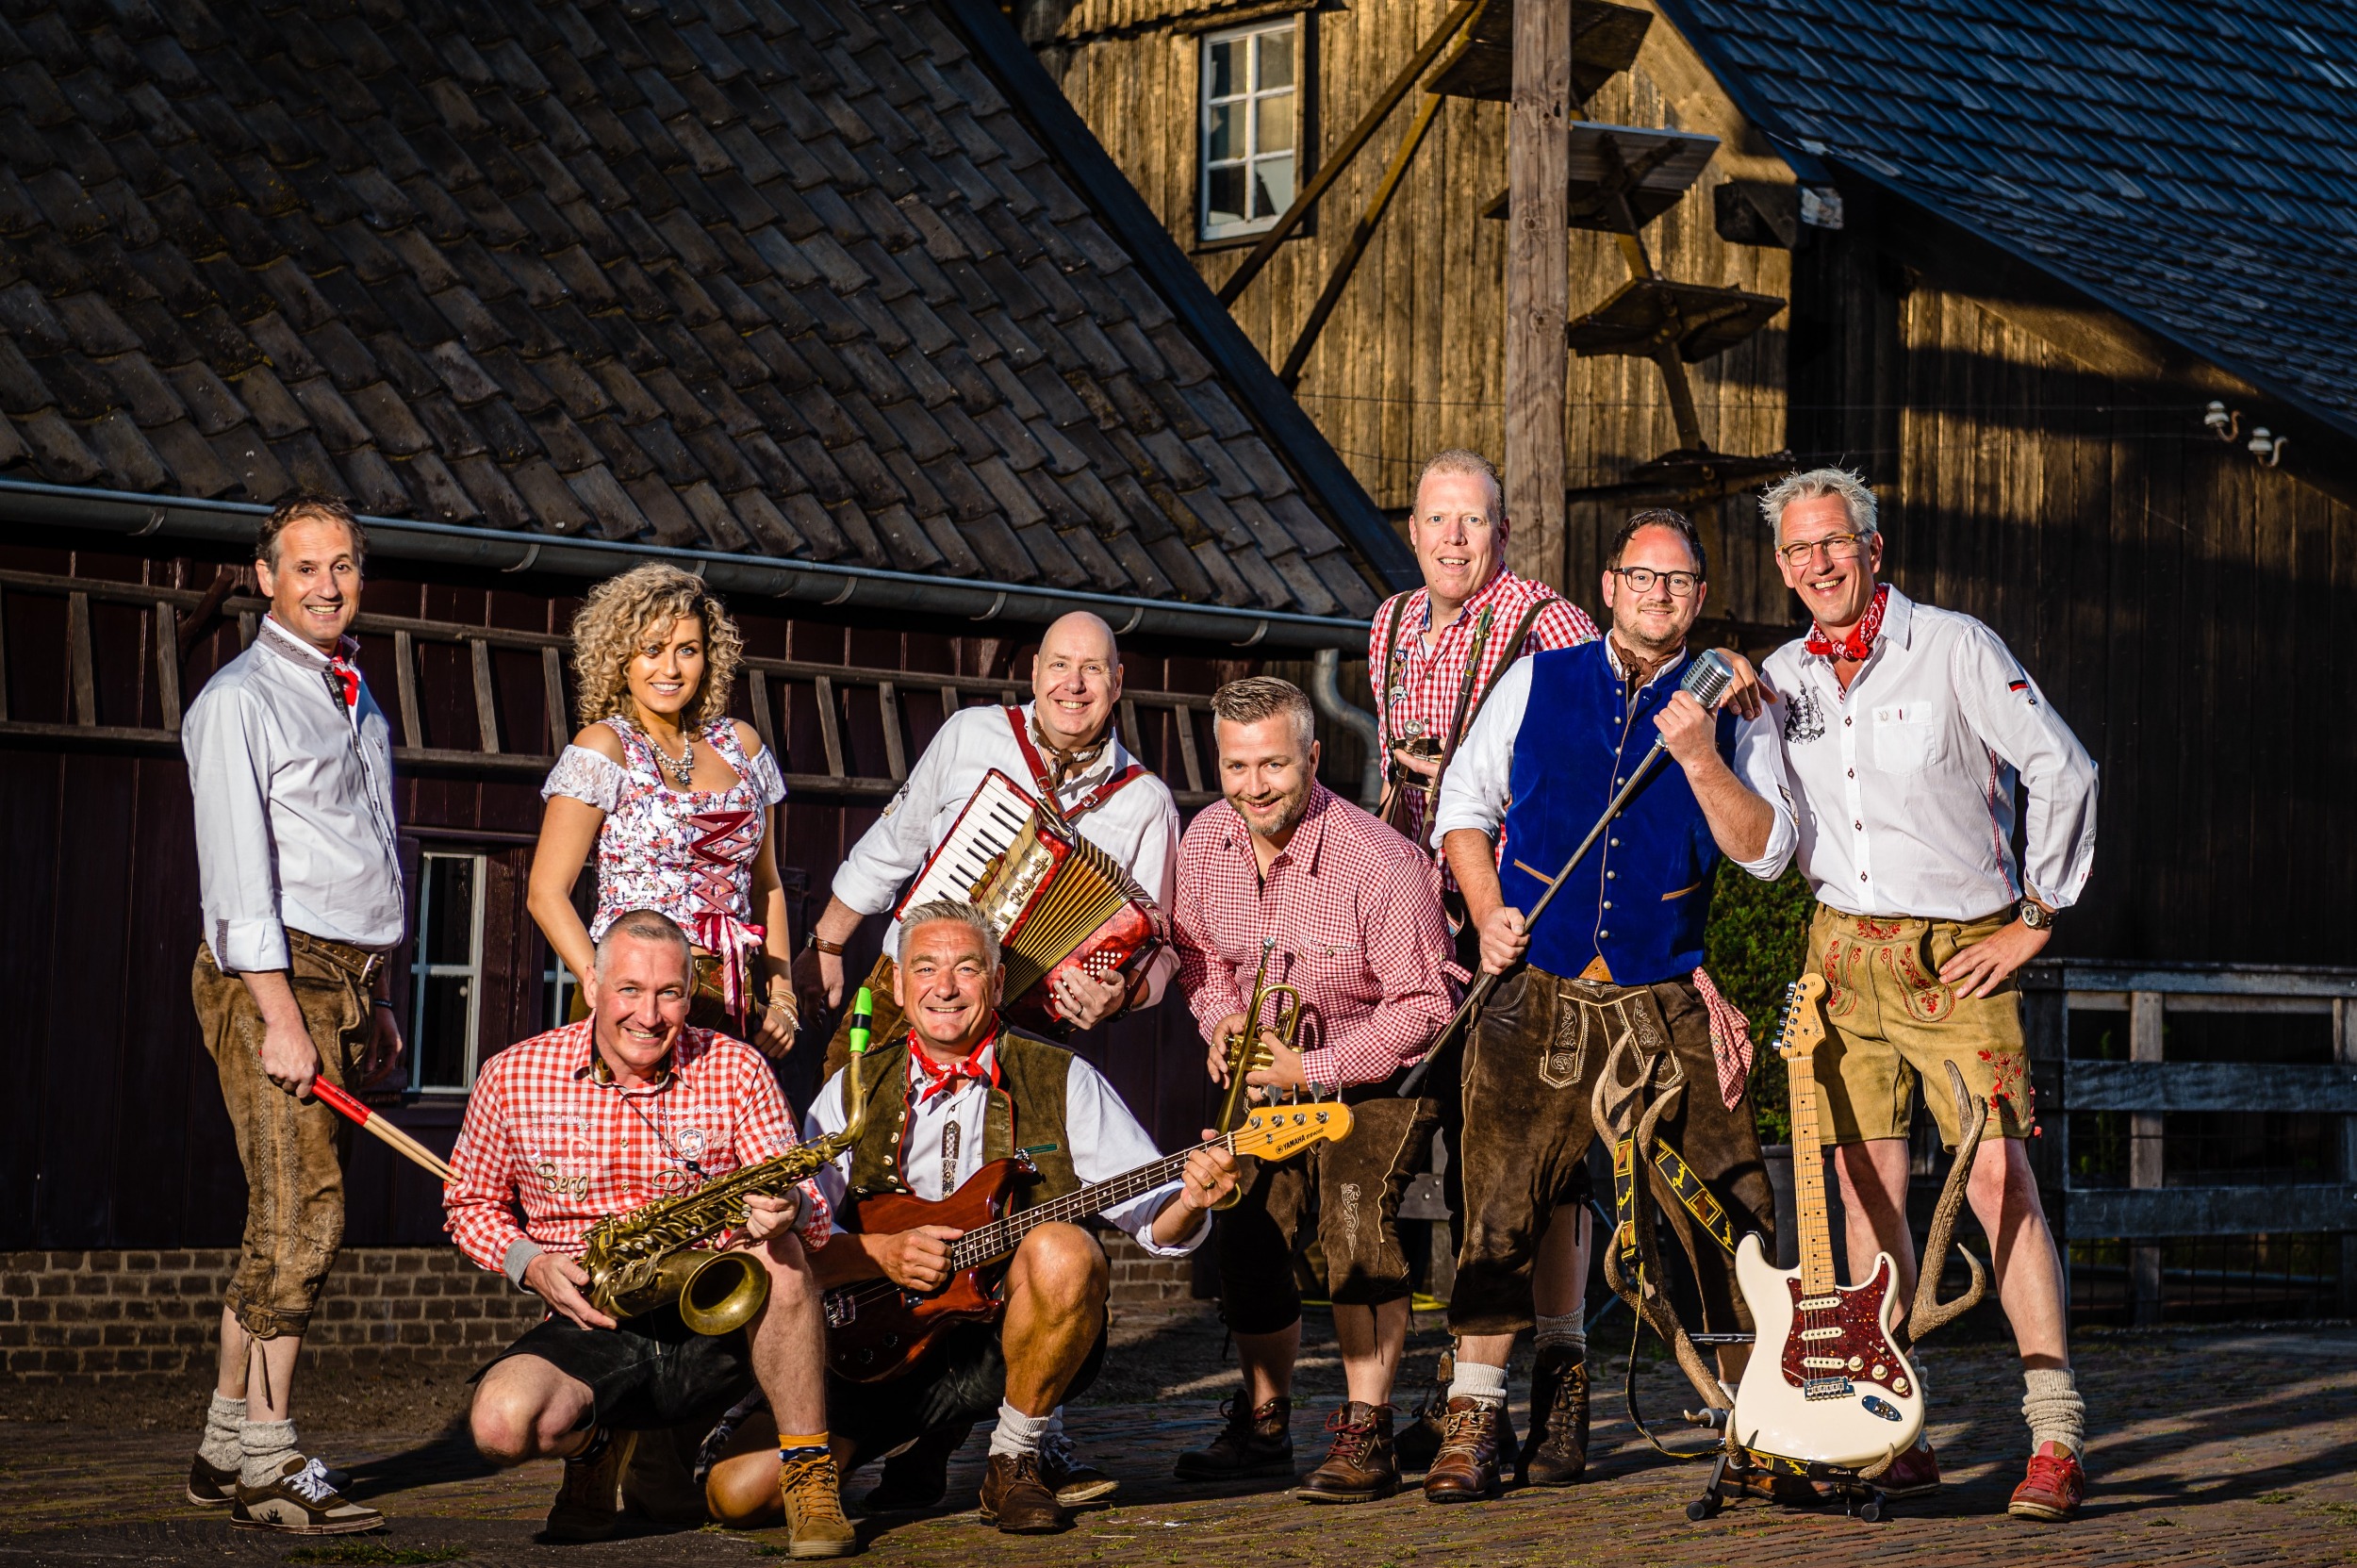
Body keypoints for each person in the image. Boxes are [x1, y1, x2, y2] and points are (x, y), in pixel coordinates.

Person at [1753, 468, 2099, 1521]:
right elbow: (1766, 837)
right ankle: (1889, 1424)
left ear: (1874, 548)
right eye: (1797, 551)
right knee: (1866, 1197)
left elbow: (2064, 768)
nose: (1817, 564)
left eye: (1834, 544)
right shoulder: (1779, 676)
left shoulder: (1952, 644)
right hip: (1840, 959)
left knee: (1999, 1186)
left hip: (1956, 956)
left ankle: (2054, 1432)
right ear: (1781, 567)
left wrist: (2036, 917)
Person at [1431, 509, 1794, 1501]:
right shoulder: (1538, 680)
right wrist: (1488, 910)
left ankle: (1756, 1421)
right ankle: (1475, 1413)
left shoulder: (1732, 705)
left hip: (1661, 993)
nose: (1657, 594)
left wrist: (1702, 756)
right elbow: (1462, 806)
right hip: (1536, 985)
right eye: (1642, 577)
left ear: (1699, 598)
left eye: (1676, 582)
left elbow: (1767, 850)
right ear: (1607, 584)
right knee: (1500, 1201)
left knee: (1728, 1205)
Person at [791, 610, 1181, 1505]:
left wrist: (1123, 993)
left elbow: (1159, 946)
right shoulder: (973, 735)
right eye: (1057, 666)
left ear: (1118, 685)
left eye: (1093, 670)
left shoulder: (1143, 801)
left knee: (1021, 1230)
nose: (1072, 685)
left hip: (1036, 1034)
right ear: (1033, 671)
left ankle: (1019, 1435)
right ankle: (884, 1407)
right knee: (880, 1207)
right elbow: (893, 842)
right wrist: (826, 941)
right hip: (906, 1006)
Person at [708, 899, 1237, 1536]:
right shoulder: (852, 1088)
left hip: (995, 1345)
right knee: (738, 1496)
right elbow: (797, 1232)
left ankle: (1013, 1458)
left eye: (966, 967)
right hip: (869, 1340)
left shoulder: (1061, 1077)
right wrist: (883, 1255)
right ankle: (912, 1437)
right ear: (899, 985)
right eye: (925, 967)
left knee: (1065, 1248)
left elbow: (1156, 1220)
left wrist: (1192, 1198)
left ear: (997, 980)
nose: (946, 986)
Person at [445, 911, 855, 1558]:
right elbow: (469, 1203)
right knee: (500, 1424)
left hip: (721, 1316)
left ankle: (808, 1472)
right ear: (592, 983)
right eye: (630, 989)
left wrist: (793, 1210)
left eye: (669, 993)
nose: (650, 1013)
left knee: (780, 1255)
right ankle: (596, 1444)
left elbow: (809, 1198)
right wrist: (530, 1262)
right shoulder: (512, 1075)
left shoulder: (737, 1067)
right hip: (597, 1316)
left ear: (689, 998)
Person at [1167, 677, 1459, 1503]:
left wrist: (1312, 1069)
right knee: (1245, 1216)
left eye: (1273, 765)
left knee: (1353, 1215)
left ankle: (1367, 1430)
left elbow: (1426, 1005)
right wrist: (1222, 1022)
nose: (1253, 786)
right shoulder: (1205, 841)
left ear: (1314, 757)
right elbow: (1200, 959)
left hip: (1376, 1074)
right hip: (1269, 1074)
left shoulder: (1381, 860)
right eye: (1235, 766)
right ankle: (1264, 1424)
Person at [1366, 451, 1600, 1460]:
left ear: (1502, 534)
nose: (1453, 539)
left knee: (1537, 1156)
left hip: (1518, 915)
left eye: (1473, 522)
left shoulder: (1549, 624)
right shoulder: (1388, 624)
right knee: (1445, 1156)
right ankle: (1464, 1387)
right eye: (1435, 520)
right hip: (1418, 917)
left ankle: (1559, 1368)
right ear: (1411, 531)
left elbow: (1601, 751)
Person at [182, 495, 405, 1536]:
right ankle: (272, 1464)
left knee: (280, 1213)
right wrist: (279, 1010)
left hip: (348, 980)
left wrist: (383, 997)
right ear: (265, 576)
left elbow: (372, 855)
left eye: (344, 563)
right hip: (280, 976)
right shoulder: (241, 699)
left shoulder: (358, 695)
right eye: (305, 565)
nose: (328, 582)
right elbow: (235, 876)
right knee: (302, 1217)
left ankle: (224, 1444)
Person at [529, 562, 799, 1056]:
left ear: (708, 658)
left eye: (687, 651)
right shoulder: (604, 747)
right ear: (621, 658)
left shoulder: (742, 743)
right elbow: (546, 892)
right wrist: (607, 988)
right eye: (652, 650)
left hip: (735, 1003)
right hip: (632, 1004)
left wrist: (781, 994)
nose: (670, 669)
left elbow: (768, 884)